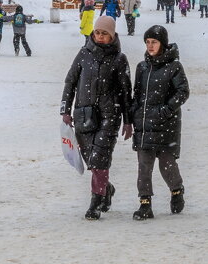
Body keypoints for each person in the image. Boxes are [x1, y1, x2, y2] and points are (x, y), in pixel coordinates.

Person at [60, 16, 133, 220]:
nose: (100, 36)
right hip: (84, 114)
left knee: (99, 158)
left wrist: (127, 121)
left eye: (104, 33)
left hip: (109, 116)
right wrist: (65, 110)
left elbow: (126, 92)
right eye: (97, 33)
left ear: (112, 35)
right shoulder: (83, 54)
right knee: (91, 160)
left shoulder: (119, 59)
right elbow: (70, 82)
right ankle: (106, 188)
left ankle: (95, 200)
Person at [130, 25, 189, 219]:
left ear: (162, 43)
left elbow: (183, 92)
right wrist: (134, 113)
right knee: (144, 166)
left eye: (154, 42)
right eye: (147, 42)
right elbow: (137, 93)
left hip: (166, 125)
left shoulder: (174, 67)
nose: (150, 46)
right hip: (144, 124)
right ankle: (145, 204)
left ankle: (176, 190)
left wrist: (166, 110)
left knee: (167, 165)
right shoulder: (142, 67)